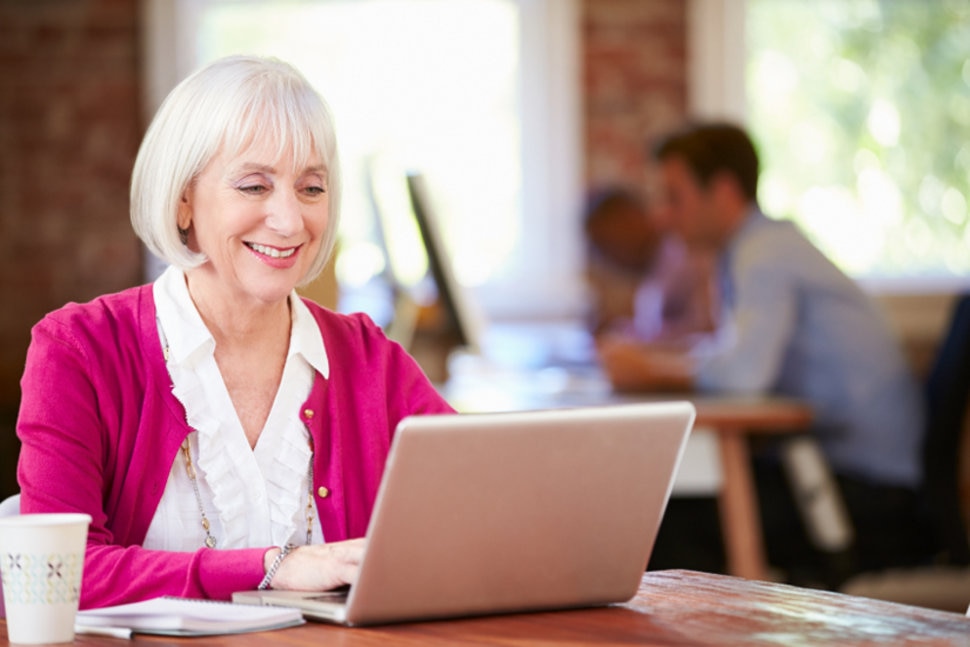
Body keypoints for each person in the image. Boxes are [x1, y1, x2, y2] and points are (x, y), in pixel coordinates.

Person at [15, 56, 455, 609]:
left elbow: (483, 514)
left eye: (312, 188)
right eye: (253, 186)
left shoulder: (370, 359)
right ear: (183, 200)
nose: (290, 221)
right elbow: (54, 574)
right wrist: (274, 568)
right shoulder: (80, 349)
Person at [599, 122, 928, 581]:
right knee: (664, 502)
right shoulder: (755, 250)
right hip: (832, 472)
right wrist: (661, 359)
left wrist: (651, 371)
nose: (663, 216)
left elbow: (744, 373)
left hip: (869, 494)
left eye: (675, 197)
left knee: (661, 518)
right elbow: (734, 353)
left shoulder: (764, 255)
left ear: (724, 190)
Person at [582, 186, 719, 346]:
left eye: (607, 242)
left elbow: (709, 334)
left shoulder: (685, 254)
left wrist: (634, 342)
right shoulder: (652, 273)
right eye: (601, 249)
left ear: (631, 218)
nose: (609, 256)